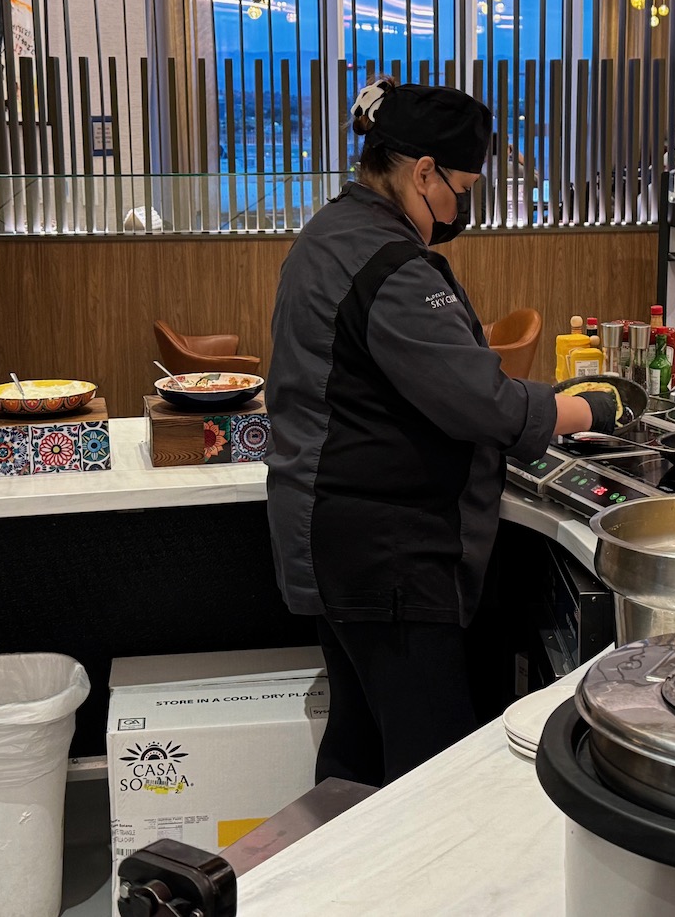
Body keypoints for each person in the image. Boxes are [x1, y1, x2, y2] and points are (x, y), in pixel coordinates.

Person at [265, 79, 618, 788]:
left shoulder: (330, 232)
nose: (463, 207)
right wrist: (591, 407)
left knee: (359, 748)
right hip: (388, 553)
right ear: (422, 172)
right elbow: (481, 401)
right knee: (430, 775)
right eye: (463, 187)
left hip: (338, 541)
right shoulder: (391, 266)